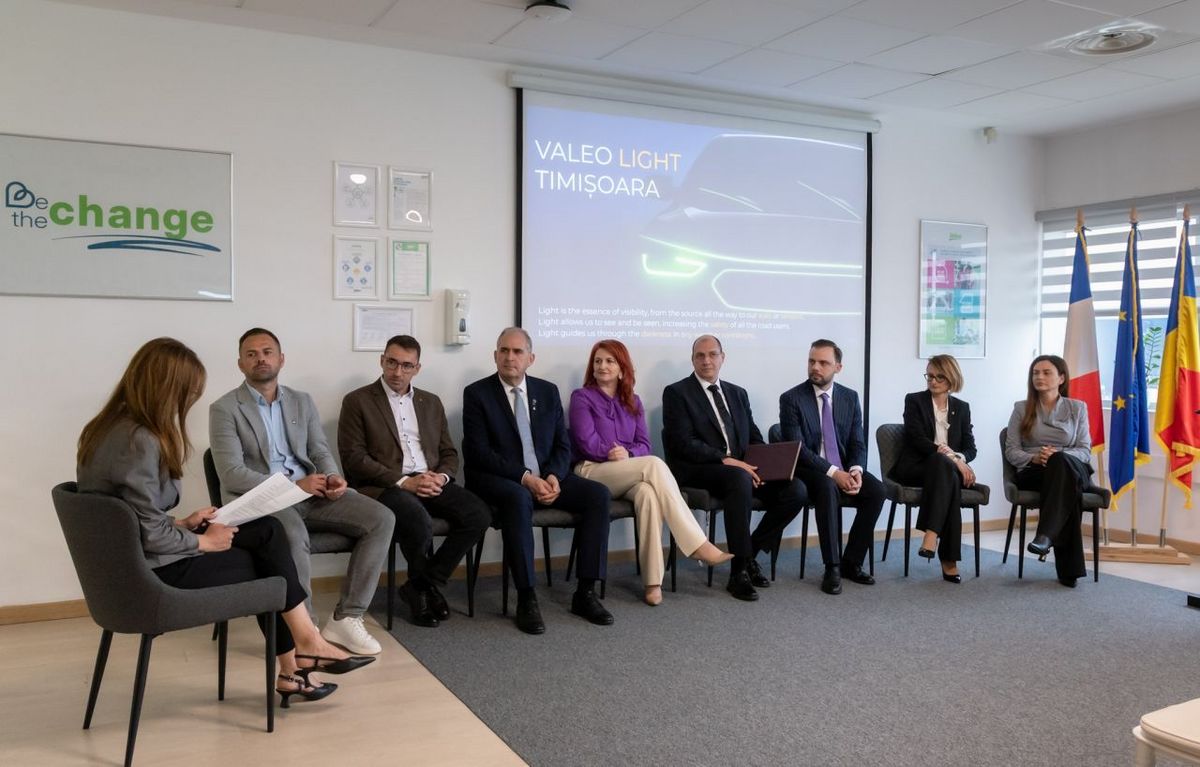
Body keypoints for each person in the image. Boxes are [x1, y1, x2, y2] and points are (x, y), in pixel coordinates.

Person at [76, 338, 373, 708]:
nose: (188, 403)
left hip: (127, 563)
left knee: (266, 532)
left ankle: (297, 663)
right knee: (270, 568)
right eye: (188, 393)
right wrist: (203, 542)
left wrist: (182, 522)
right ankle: (303, 652)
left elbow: (126, 516)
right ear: (166, 388)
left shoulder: (104, 429)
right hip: (151, 574)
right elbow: (149, 534)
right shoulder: (141, 440)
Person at [209, 328, 394, 655]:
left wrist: (333, 477)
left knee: (381, 518)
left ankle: (347, 617)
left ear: (281, 359)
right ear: (240, 364)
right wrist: (291, 487)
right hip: (262, 502)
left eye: (267, 352)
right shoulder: (225, 408)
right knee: (291, 534)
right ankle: (305, 634)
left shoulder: (301, 401)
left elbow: (319, 449)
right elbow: (232, 474)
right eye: (251, 354)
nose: (260, 359)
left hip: (310, 493)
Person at [462, 327, 614, 634]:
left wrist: (554, 476)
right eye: (504, 351)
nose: (510, 357)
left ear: (530, 358)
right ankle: (526, 597)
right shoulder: (477, 393)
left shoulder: (547, 391)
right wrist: (526, 478)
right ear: (495, 355)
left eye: (517, 351)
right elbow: (479, 453)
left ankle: (585, 592)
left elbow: (563, 445)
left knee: (598, 495)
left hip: (546, 476)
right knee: (518, 498)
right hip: (499, 479)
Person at [338, 334, 490, 628]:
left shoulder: (430, 402)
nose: (398, 372)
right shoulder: (357, 401)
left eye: (406, 365)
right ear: (382, 361)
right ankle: (423, 592)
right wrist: (403, 482)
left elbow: (449, 452)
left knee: (479, 514)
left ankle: (421, 585)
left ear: (417, 368)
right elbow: (354, 459)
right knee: (416, 519)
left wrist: (440, 477)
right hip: (384, 486)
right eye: (392, 362)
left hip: (429, 479)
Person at [569, 339, 734, 606]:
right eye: (597, 361)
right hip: (591, 471)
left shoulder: (633, 401)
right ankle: (696, 543)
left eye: (610, 361)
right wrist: (611, 453)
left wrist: (628, 454)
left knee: (647, 494)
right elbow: (585, 442)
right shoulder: (581, 397)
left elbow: (644, 444)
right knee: (654, 464)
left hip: (628, 472)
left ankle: (652, 582)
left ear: (622, 368)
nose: (602, 366)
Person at [662, 335, 806, 602]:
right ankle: (738, 572)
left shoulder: (738, 393)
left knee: (795, 489)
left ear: (722, 358)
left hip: (739, 470)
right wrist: (725, 459)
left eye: (712, 354)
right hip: (699, 469)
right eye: (700, 355)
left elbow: (752, 437)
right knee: (739, 478)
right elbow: (683, 442)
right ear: (692, 360)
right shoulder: (677, 393)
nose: (706, 360)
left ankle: (750, 552)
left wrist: (767, 465)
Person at [779, 339, 884, 595]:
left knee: (877, 491)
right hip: (810, 470)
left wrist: (856, 470)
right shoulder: (792, 399)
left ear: (838, 367)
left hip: (843, 468)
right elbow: (799, 450)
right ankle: (832, 566)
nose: (815, 367)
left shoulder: (850, 397)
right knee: (827, 487)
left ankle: (852, 562)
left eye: (823, 363)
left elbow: (857, 442)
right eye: (812, 361)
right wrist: (834, 473)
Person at [1004, 355, 1092, 588]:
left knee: (1061, 464)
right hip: (1035, 471)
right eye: (1035, 373)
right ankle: (1066, 567)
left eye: (1046, 372)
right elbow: (1011, 450)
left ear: (1061, 378)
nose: (1039, 377)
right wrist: (1034, 457)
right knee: (1067, 487)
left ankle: (1046, 535)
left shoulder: (1077, 408)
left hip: (1072, 467)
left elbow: (1085, 451)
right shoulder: (1021, 408)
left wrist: (1057, 456)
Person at [893, 354, 977, 584]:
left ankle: (932, 535)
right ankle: (948, 558)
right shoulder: (914, 400)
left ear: (951, 379)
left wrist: (958, 458)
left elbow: (970, 448)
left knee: (947, 475)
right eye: (929, 376)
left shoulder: (962, 408)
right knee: (944, 466)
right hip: (917, 467)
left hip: (946, 473)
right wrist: (955, 460)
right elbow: (917, 439)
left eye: (939, 377)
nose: (933, 381)